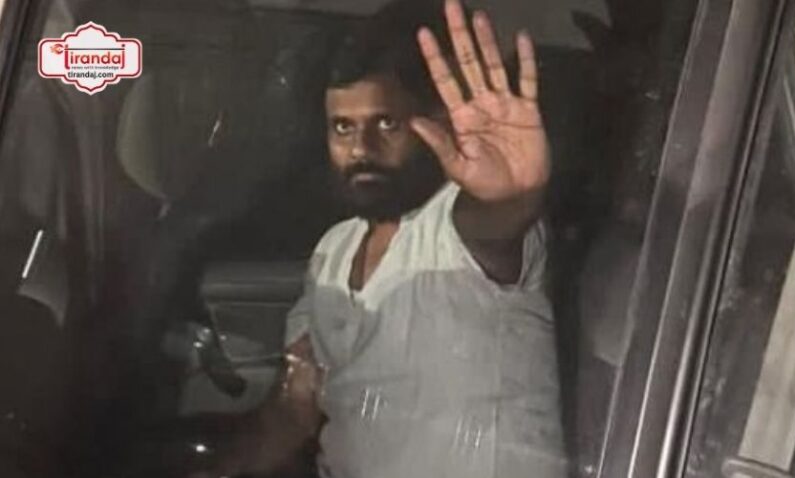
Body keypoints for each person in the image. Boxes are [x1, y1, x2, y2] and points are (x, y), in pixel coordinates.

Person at [204, 1, 567, 476]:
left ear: (434, 122)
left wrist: (513, 194)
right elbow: (295, 407)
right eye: (343, 127)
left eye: (387, 124)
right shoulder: (333, 251)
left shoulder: (461, 229)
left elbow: (497, 218)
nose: (361, 149)